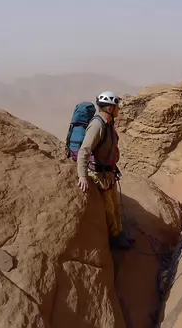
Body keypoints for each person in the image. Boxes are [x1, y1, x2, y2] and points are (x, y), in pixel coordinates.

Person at [77, 91, 132, 249]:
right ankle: (115, 238)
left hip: (109, 174)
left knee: (115, 204)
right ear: (109, 108)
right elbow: (84, 150)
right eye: (116, 107)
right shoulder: (97, 125)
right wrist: (82, 176)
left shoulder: (108, 124)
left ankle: (120, 233)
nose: (119, 109)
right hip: (98, 175)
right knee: (108, 208)